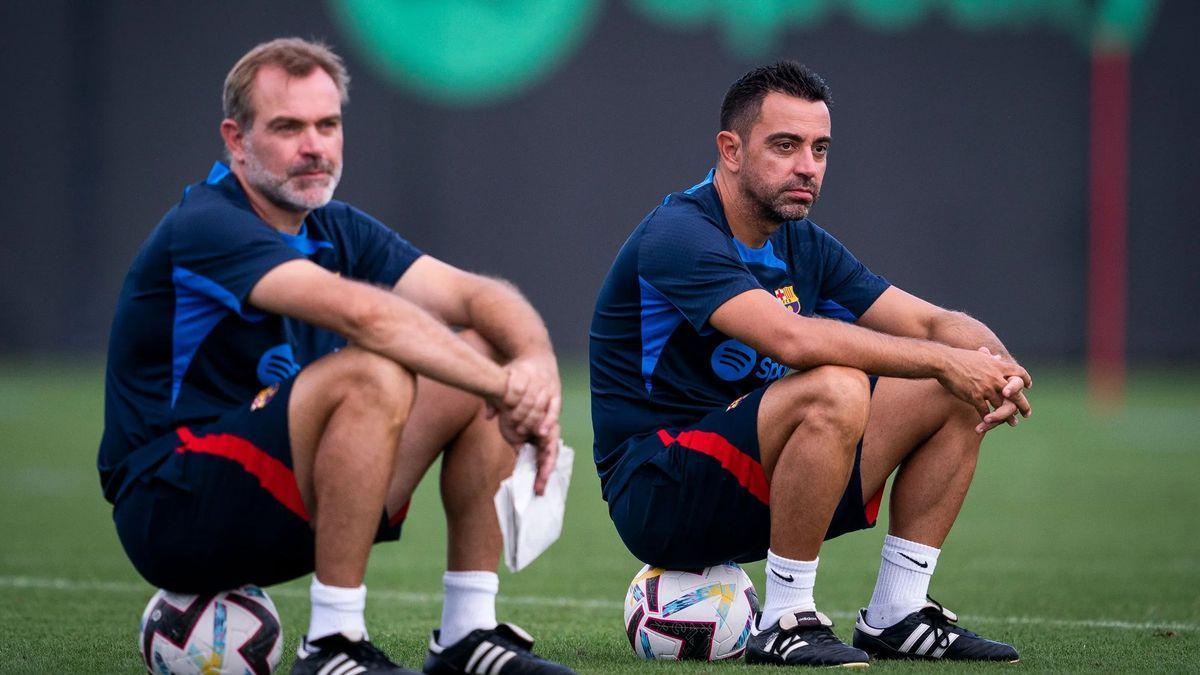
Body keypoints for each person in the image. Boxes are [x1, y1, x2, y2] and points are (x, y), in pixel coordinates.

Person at [99, 37, 573, 675]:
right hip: (172, 508)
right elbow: (365, 316)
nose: (314, 146)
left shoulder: (334, 226)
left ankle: (467, 634)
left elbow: (477, 295)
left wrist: (534, 366)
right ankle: (331, 644)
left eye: (328, 125)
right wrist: (504, 389)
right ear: (235, 141)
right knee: (373, 373)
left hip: (281, 490)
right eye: (288, 127)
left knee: (490, 343)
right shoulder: (208, 224)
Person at [589, 61, 1033, 667]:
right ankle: (785, 619)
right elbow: (793, 342)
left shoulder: (803, 242)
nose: (807, 166)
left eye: (820, 148)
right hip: (659, 490)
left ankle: (898, 614)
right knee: (835, 386)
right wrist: (949, 360)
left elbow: (931, 324)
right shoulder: (679, 234)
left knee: (950, 386)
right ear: (731, 150)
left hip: (759, 469)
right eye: (785, 145)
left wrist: (996, 366)